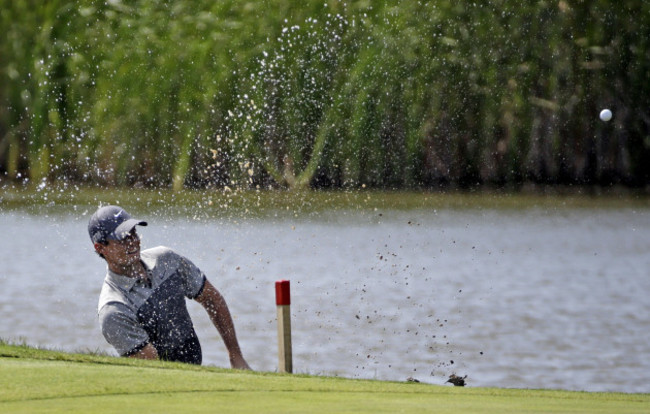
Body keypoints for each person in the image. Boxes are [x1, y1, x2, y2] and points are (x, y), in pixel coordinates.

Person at [88, 205, 250, 369]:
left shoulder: (167, 260)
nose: (133, 242)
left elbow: (212, 300)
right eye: (122, 238)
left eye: (133, 233)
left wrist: (235, 356)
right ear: (101, 248)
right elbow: (154, 370)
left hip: (194, 368)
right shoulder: (113, 310)